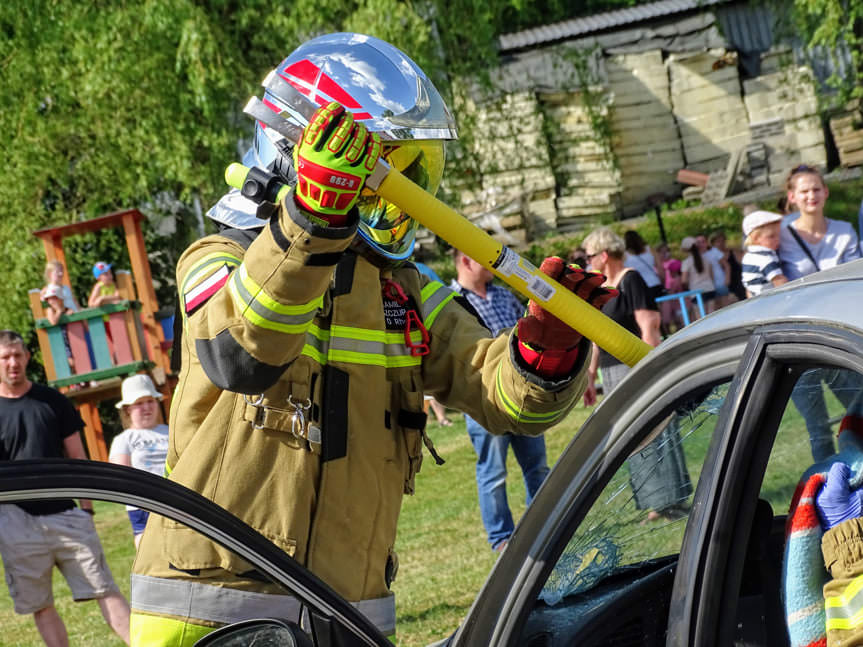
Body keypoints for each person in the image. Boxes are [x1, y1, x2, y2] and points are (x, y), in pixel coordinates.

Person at [130, 33, 615, 643]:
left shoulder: (402, 291)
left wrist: (545, 348)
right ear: (306, 149)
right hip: (210, 612)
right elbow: (242, 354)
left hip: (349, 613)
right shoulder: (220, 257)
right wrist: (311, 223)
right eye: (392, 169)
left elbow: (505, 398)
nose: (406, 195)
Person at [0, 330, 130, 646]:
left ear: (27, 357)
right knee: (42, 606)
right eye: (5, 357)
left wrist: (86, 510)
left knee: (105, 589)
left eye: (17, 355)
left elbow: (78, 458)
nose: (12, 363)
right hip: (16, 521)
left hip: (67, 515)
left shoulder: (52, 400)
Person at [582, 228, 691, 522]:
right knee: (633, 436)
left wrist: (648, 370)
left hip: (635, 366)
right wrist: (590, 378)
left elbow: (649, 328)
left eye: (589, 256)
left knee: (655, 430)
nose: (586, 261)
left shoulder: (631, 280)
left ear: (604, 255)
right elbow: (594, 338)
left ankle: (670, 500)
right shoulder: (598, 290)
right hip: (611, 371)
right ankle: (655, 502)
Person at [450, 248, 550, 553]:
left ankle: (543, 528)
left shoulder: (505, 296)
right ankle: (502, 539)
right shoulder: (451, 302)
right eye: (483, 255)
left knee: (537, 467)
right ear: (466, 261)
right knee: (493, 473)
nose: (492, 262)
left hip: (522, 396)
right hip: (483, 401)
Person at [779, 164, 863, 461]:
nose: (811, 195)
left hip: (840, 333)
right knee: (817, 428)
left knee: (860, 412)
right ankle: (824, 493)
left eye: (816, 189)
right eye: (804, 191)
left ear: (826, 192)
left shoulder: (844, 231)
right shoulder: (780, 235)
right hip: (799, 339)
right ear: (792, 196)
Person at [108, 374, 169, 549]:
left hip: (178, 500)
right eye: (139, 404)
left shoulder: (171, 431)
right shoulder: (124, 439)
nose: (146, 408)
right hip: (143, 507)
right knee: (151, 555)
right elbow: (120, 479)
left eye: (150, 401)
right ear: (128, 409)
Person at [740, 210, 787, 297]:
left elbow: (748, 287)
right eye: (771, 236)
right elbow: (780, 282)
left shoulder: (748, 256)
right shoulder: (766, 258)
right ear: (755, 238)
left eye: (778, 235)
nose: (777, 239)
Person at [623, 230, 664, 302]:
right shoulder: (649, 249)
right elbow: (660, 268)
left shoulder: (625, 255)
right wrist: (662, 281)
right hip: (655, 282)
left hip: (638, 287)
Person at [680, 236, 716, 317]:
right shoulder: (706, 259)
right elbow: (711, 275)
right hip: (710, 288)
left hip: (696, 292)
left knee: (701, 318)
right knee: (712, 315)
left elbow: (684, 280)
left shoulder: (686, 262)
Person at [710, 230, 745, 302]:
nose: (721, 243)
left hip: (737, 279)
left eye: (722, 241)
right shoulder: (712, 255)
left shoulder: (733, 252)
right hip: (722, 283)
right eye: (718, 241)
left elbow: (742, 263)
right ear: (713, 243)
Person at [698, 233, 730, 308]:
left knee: (726, 307)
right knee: (715, 308)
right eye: (699, 242)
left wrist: (727, 278)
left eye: (703, 241)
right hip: (708, 286)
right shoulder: (697, 257)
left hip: (720, 282)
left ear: (706, 242)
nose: (701, 244)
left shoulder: (714, 251)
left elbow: (726, 265)